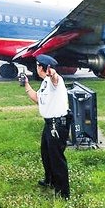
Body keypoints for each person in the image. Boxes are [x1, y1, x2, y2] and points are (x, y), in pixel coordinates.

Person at [22, 54, 70, 199]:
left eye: (37, 66)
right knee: (46, 153)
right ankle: (50, 180)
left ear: (42, 68)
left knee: (56, 157)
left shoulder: (55, 80)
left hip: (57, 124)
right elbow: (37, 98)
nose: (36, 68)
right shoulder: (44, 83)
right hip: (49, 123)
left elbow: (55, 79)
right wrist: (26, 84)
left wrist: (53, 73)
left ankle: (63, 192)